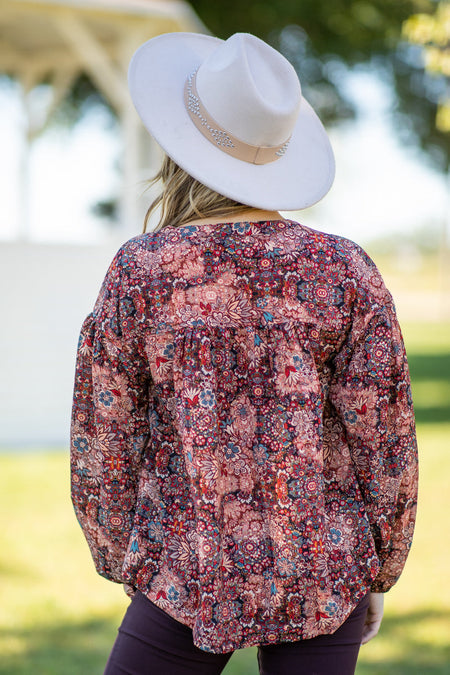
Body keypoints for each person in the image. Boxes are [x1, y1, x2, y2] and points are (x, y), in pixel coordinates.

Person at [70, 32, 418, 675]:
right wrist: (381, 563)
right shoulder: (341, 269)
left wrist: (122, 554)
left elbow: (102, 439)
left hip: (181, 562)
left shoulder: (142, 270)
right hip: (324, 566)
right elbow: (385, 436)